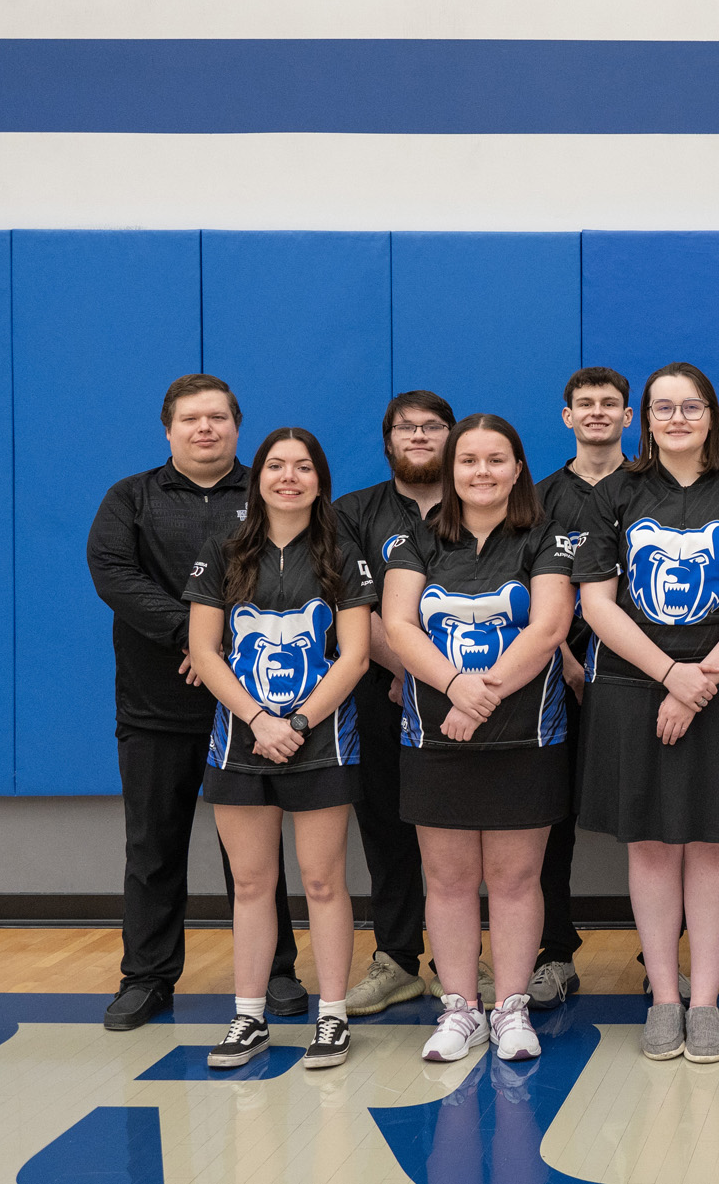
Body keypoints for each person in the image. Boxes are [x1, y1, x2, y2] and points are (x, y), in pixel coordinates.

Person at [575, 363, 719, 1065]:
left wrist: (701, 680)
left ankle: (705, 1005)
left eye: (689, 406)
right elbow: (596, 603)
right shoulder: (614, 495)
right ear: (644, 419)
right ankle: (665, 997)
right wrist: (670, 675)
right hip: (636, 688)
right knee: (653, 844)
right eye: (662, 408)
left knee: (717, 842)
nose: (675, 418)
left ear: (711, 415)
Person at [88, 374, 305, 1031]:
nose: (205, 428)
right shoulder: (131, 498)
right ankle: (147, 977)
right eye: (191, 419)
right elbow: (113, 573)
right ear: (169, 430)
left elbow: (296, 575)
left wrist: (223, 646)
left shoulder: (270, 492)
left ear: (238, 427)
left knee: (256, 856)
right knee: (152, 846)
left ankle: (275, 972)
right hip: (157, 707)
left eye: (218, 418)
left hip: (249, 711)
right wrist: (193, 635)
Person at [382, 414, 576, 1064]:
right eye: (469, 461)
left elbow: (548, 628)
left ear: (518, 469)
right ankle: (460, 1008)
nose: (482, 472)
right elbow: (399, 625)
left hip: (528, 739)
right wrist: (454, 689)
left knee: (518, 880)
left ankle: (513, 1007)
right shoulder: (416, 540)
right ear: (451, 471)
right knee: (448, 881)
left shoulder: (543, 536)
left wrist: (480, 694)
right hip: (435, 740)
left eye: (497, 459)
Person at [184, 429, 375, 1069]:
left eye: (302, 467)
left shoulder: (343, 554)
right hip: (239, 742)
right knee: (251, 884)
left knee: (323, 881)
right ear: (257, 476)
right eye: (275, 465)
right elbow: (205, 652)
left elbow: (355, 654)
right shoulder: (222, 550)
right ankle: (248, 1017)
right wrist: (260, 720)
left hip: (323, 743)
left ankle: (332, 1018)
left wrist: (297, 721)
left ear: (320, 478)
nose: (287, 477)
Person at [337, 391, 466, 1016]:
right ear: (387, 439)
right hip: (382, 692)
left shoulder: (482, 503)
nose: (419, 436)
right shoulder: (351, 512)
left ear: (452, 434)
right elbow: (351, 608)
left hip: (472, 698)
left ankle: (457, 960)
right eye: (405, 427)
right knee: (386, 825)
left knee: (459, 830)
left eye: (432, 426)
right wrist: (414, 672)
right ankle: (395, 958)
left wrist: (449, 683)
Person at [527, 367, 634, 1009]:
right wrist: (568, 656)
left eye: (610, 404)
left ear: (628, 416)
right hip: (557, 676)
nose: (596, 412)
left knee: (655, 814)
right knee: (550, 817)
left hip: (639, 675)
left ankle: (662, 955)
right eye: (584, 404)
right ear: (567, 416)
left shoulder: (651, 489)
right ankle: (554, 952)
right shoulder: (538, 501)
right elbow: (531, 590)